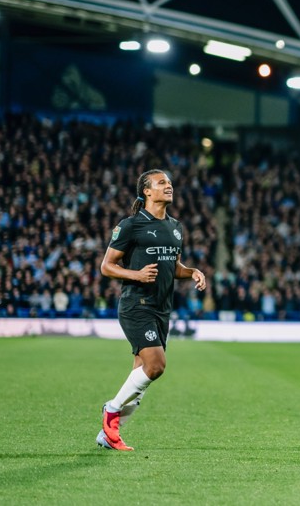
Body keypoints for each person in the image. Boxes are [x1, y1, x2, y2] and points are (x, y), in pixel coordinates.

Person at [96, 169, 207, 451]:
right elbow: (106, 266)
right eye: (161, 183)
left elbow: (174, 265)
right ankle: (110, 410)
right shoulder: (131, 225)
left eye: (169, 182)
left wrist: (192, 271)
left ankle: (107, 435)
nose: (168, 186)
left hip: (161, 310)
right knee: (156, 366)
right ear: (147, 191)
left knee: (141, 381)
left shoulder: (176, 227)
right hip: (136, 305)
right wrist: (136, 275)